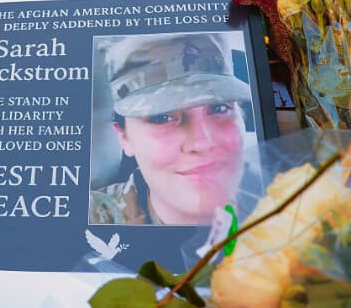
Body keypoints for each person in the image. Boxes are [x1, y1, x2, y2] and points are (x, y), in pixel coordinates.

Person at [89, 32, 252, 226]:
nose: (202, 142)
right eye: (162, 117)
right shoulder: (91, 216)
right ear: (124, 137)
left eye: (219, 108)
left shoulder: (277, 203)